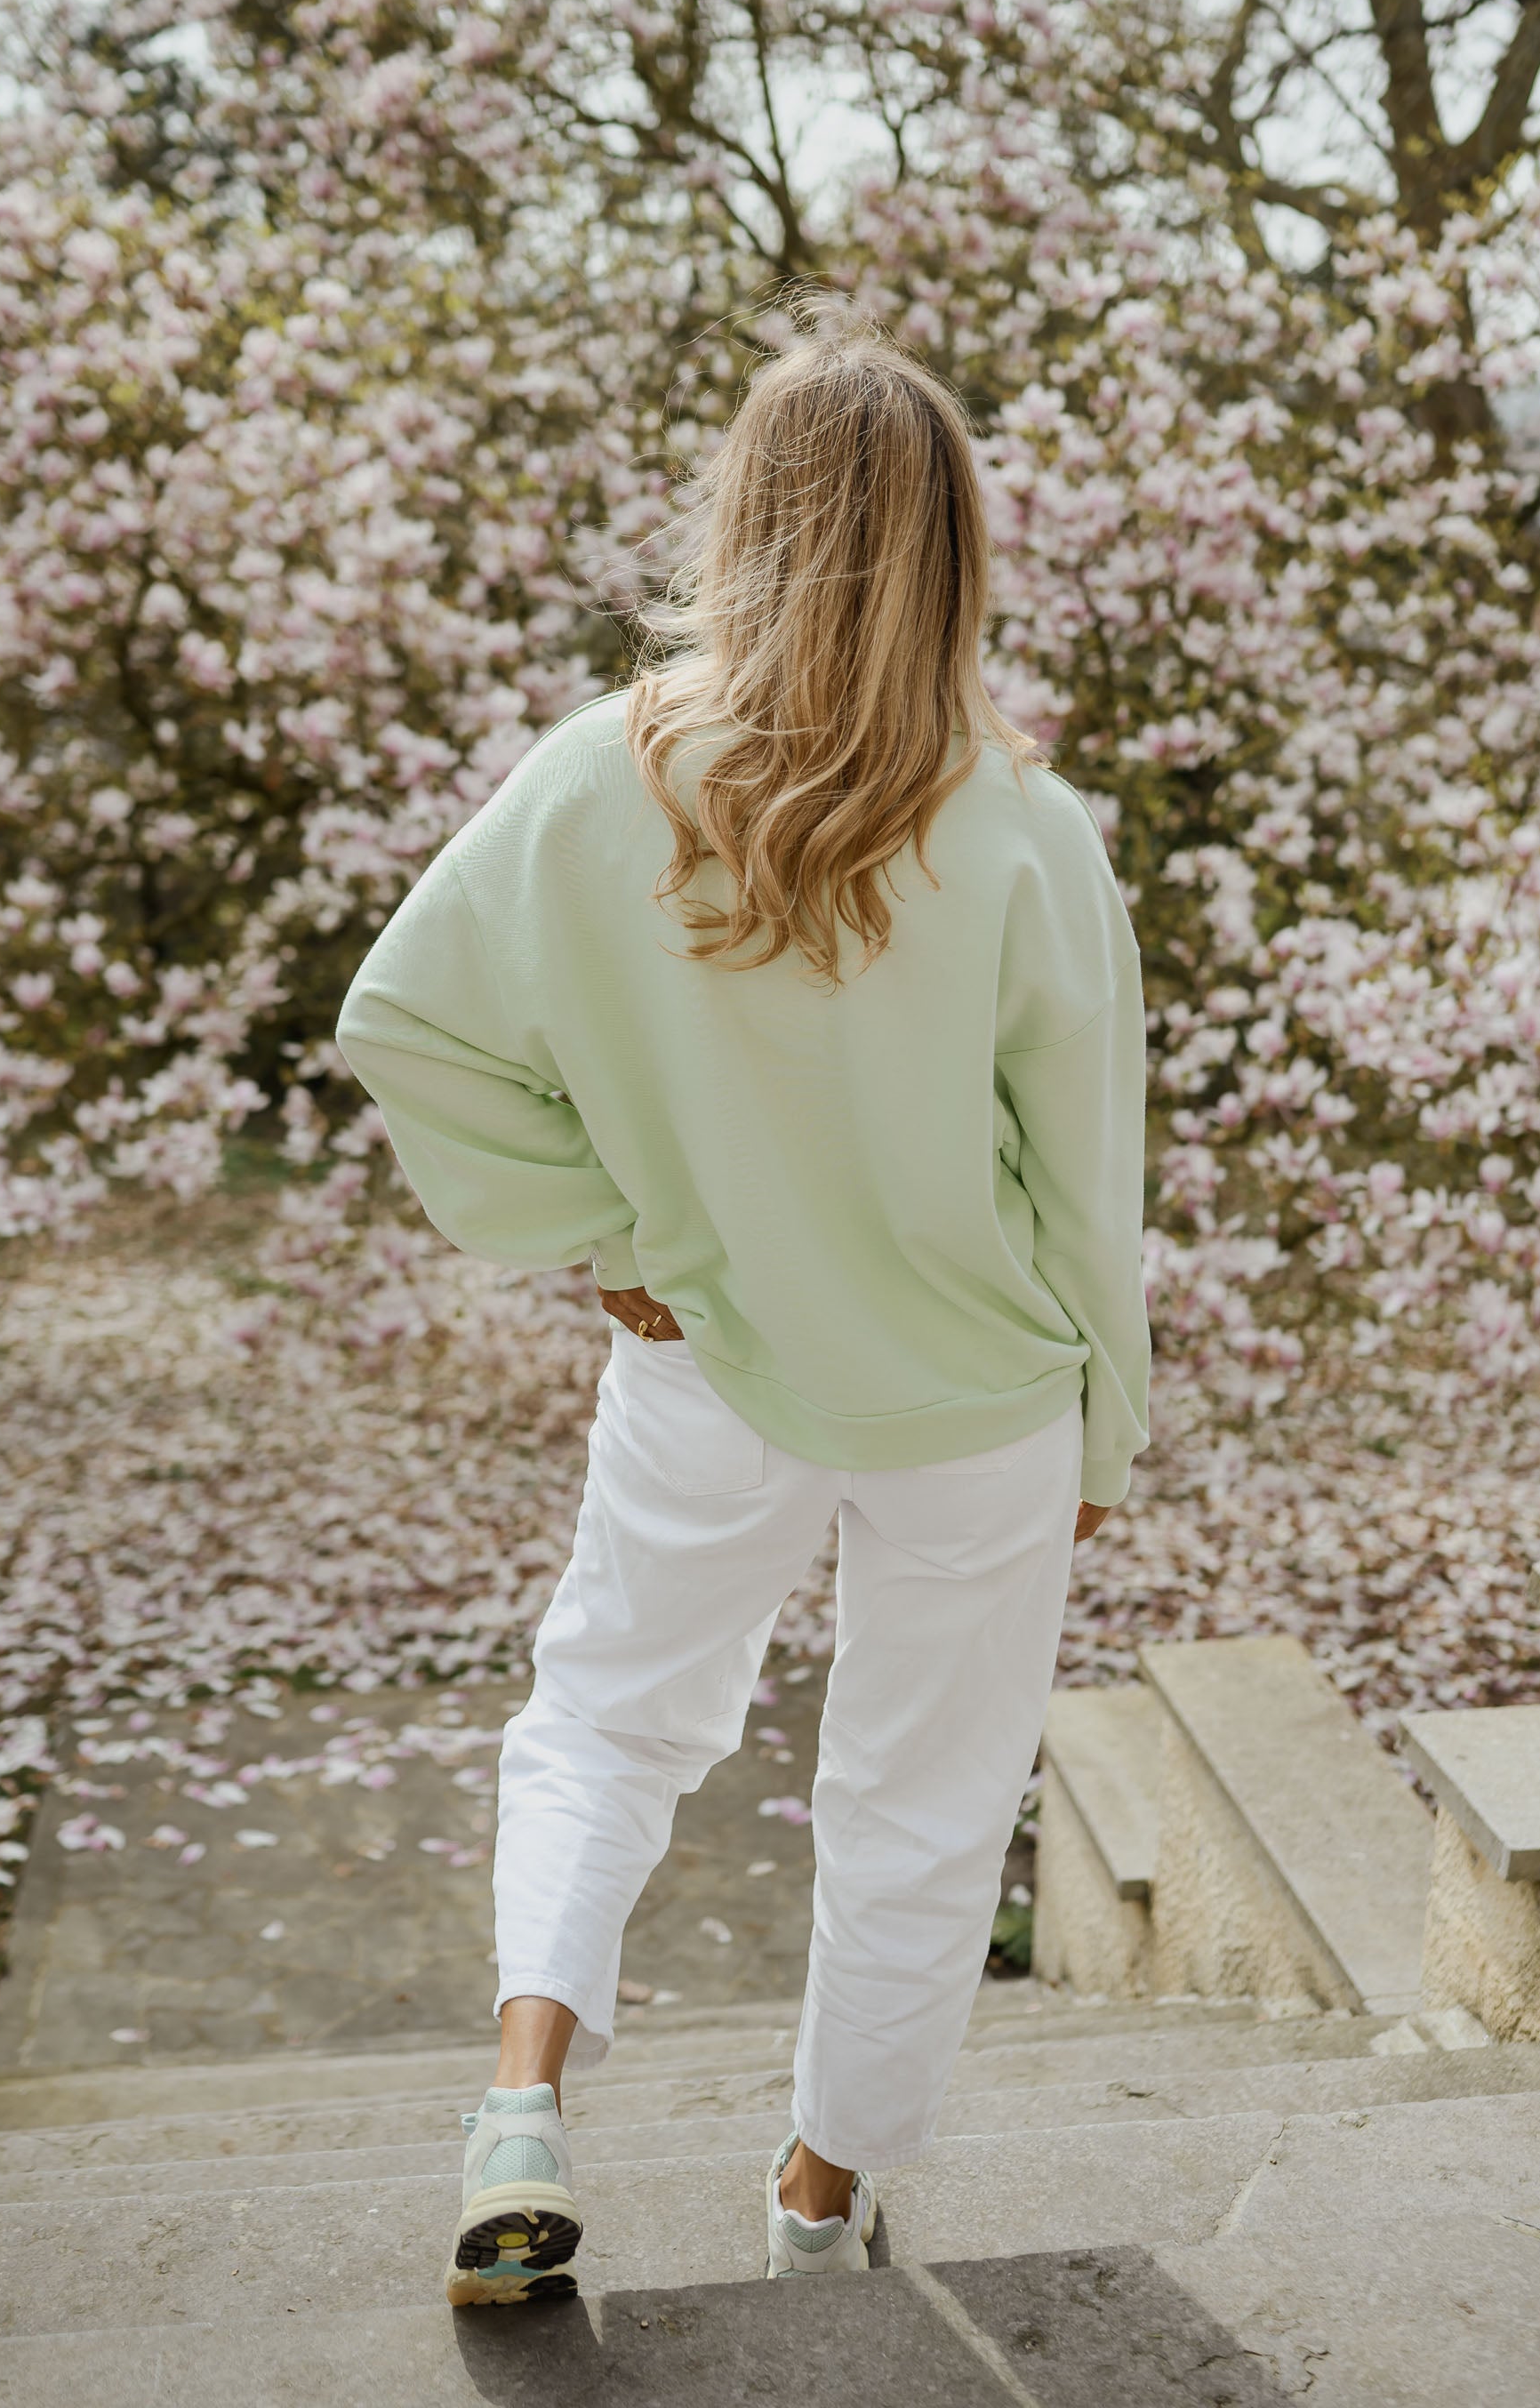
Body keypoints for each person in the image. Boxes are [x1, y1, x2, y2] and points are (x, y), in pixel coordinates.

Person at [335, 320, 1151, 2306]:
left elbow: (404, 1030)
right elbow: (1088, 1179)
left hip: (705, 1363)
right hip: (975, 1398)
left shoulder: (591, 784)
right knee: (921, 1810)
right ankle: (811, 2207)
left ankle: (522, 2113)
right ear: (953, 549)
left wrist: (606, 1226)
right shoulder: (1026, 829)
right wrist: (1105, 1438)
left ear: (747, 524)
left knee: (606, 1719)